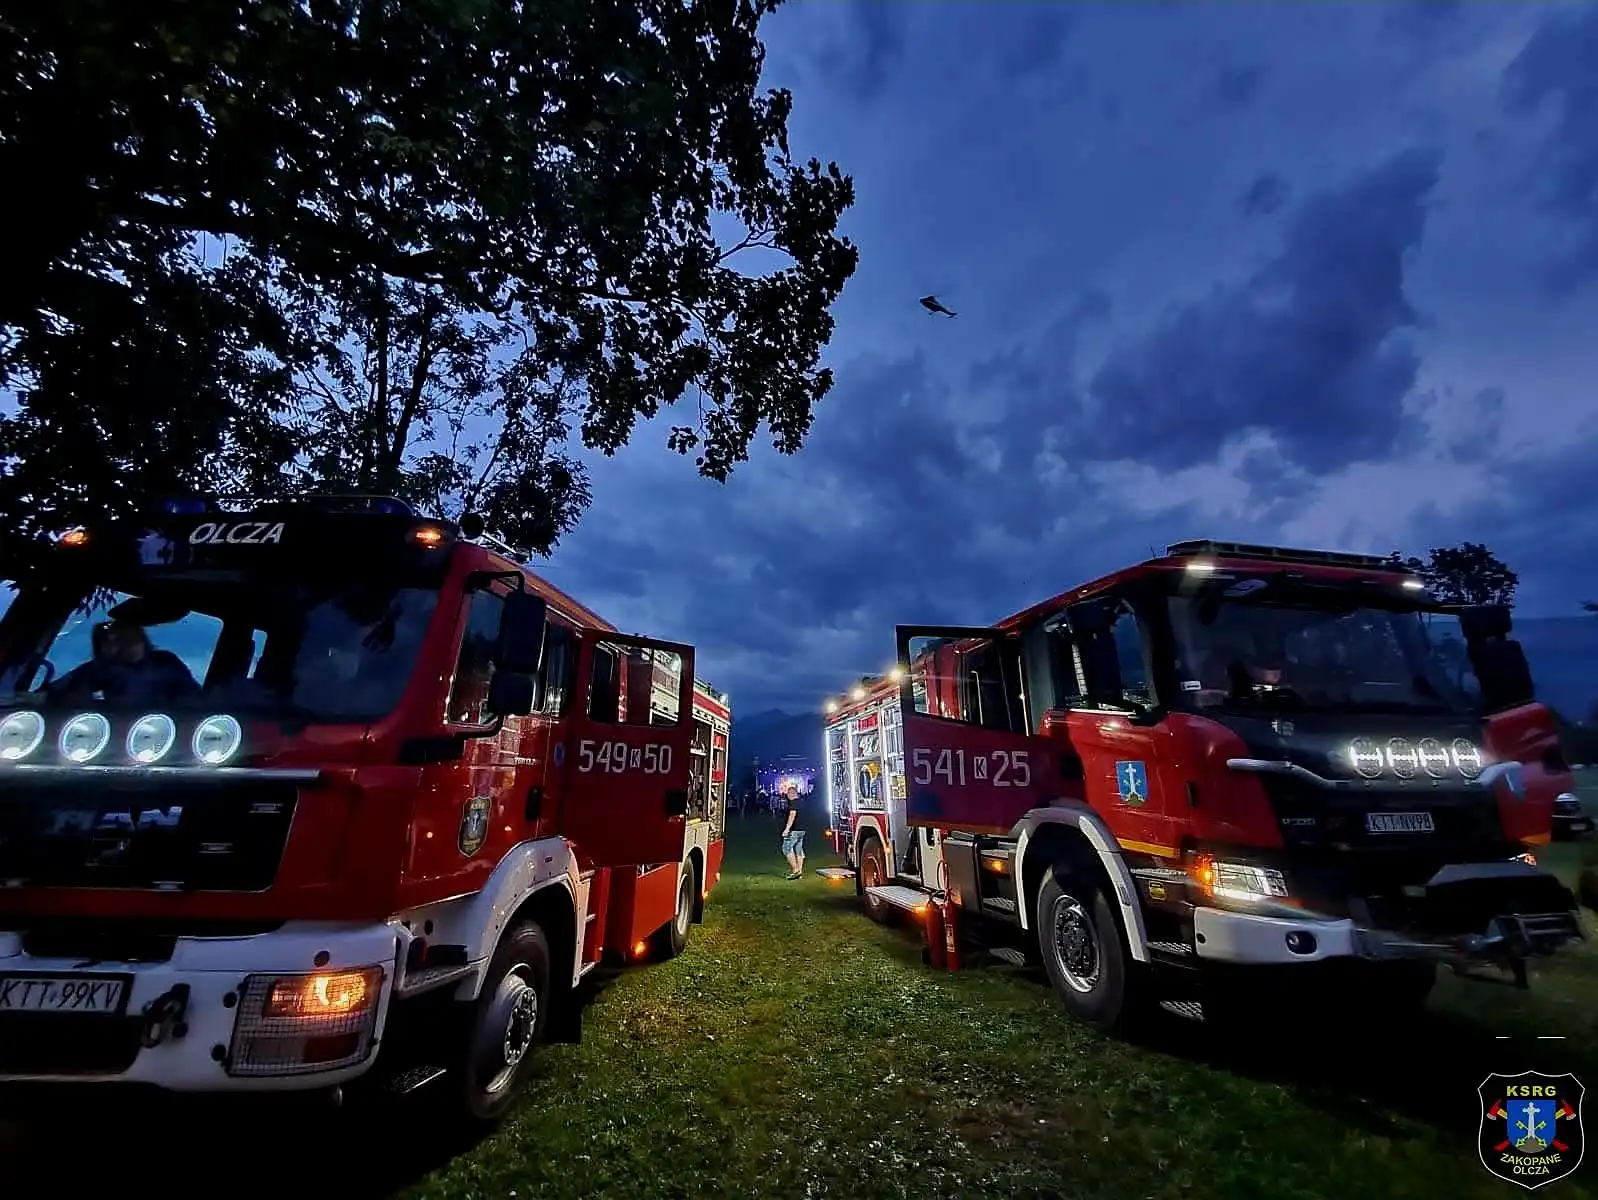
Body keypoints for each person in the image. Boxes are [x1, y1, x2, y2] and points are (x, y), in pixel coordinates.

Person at [48, 619, 201, 707]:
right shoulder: (97, 669)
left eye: (130, 636)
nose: (125, 644)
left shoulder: (165, 662)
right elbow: (54, 692)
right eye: (114, 641)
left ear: (142, 638)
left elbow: (194, 698)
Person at [779, 780, 806, 880]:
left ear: (791, 794)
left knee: (786, 848)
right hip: (802, 830)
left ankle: (795, 870)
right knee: (799, 850)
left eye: (787, 794)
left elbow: (792, 815)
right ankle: (799, 872)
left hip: (794, 830)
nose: (786, 796)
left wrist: (787, 829)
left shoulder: (793, 803)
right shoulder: (802, 802)